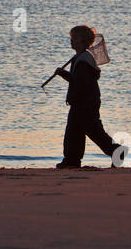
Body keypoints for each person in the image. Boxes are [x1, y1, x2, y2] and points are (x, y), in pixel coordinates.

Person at [53, 24, 124, 169]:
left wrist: (64, 74)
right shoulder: (80, 58)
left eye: (74, 38)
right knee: (75, 131)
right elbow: (78, 80)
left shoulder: (83, 60)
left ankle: (116, 151)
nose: (71, 41)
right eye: (72, 38)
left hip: (84, 102)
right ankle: (72, 160)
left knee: (91, 131)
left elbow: (80, 82)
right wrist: (65, 75)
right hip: (84, 101)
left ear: (83, 41)